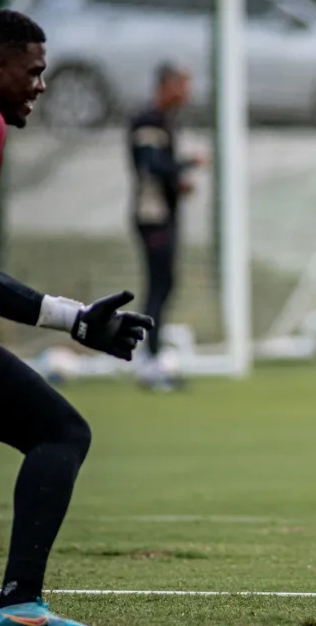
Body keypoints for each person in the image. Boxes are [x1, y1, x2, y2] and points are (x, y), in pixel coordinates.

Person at [0, 9, 153, 626]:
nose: (41, 85)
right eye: (33, 72)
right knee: (61, 433)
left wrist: (76, 321)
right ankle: (18, 607)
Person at [127, 62, 203, 390]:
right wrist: (184, 166)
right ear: (166, 86)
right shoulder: (148, 119)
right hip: (151, 216)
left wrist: (178, 181)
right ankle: (149, 360)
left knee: (165, 283)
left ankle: (153, 354)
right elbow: (150, 164)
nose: (187, 93)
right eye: (182, 85)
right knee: (159, 284)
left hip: (164, 215)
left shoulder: (164, 120)